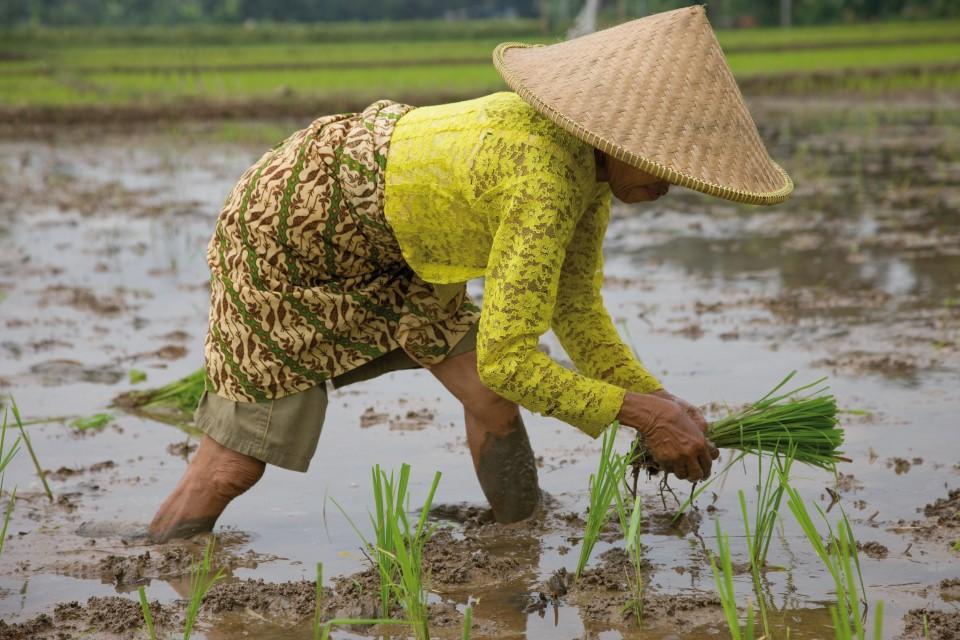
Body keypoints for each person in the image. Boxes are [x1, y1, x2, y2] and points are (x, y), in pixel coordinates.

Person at [149, 6, 793, 542]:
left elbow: (577, 311)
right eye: (665, 163)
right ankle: (158, 564)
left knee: (489, 402)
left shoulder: (586, 171)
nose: (670, 183)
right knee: (234, 463)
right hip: (294, 234)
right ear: (618, 138)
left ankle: (519, 538)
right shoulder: (543, 175)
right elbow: (509, 358)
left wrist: (661, 401)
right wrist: (640, 415)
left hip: (399, 250)